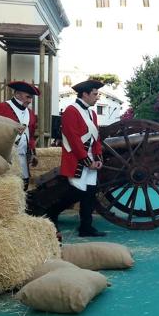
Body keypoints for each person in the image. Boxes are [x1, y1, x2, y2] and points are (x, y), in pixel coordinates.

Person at [48, 79, 106, 237]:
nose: (97, 97)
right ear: (85, 94)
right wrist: (88, 162)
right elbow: (73, 140)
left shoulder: (92, 113)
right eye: (95, 94)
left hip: (91, 160)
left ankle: (86, 227)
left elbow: (96, 138)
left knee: (90, 194)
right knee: (76, 193)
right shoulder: (71, 111)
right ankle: (51, 213)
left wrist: (98, 157)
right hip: (77, 160)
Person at [0, 81, 40, 191]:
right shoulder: (1, 108)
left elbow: (30, 136)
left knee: (23, 187)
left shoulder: (30, 114)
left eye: (31, 98)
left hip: (23, 159)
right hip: (5, 158)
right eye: (27, 97)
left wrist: (33, 153)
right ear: (17, 94)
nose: (29, 101)